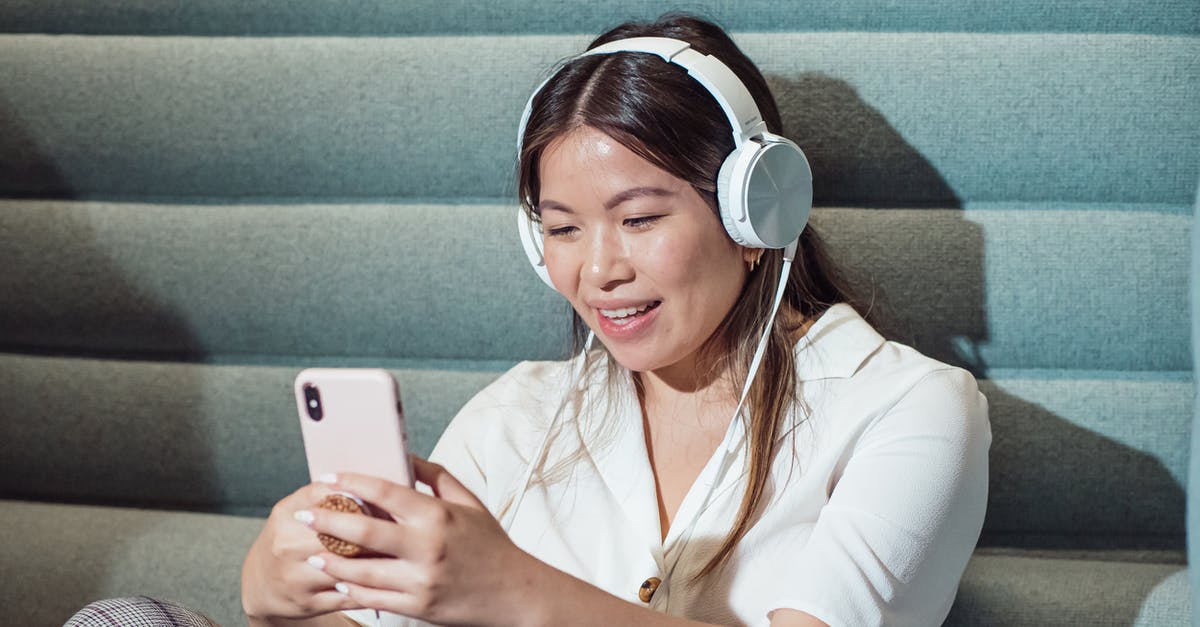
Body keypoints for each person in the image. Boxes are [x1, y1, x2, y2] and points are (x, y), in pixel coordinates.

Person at [240, 14, 991, 627]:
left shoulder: (909, 410)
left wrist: (514, 590)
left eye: (637, 218)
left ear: (755, 215)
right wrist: (279, 596)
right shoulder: (516, 416)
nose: (598, 271)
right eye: (563, 229)